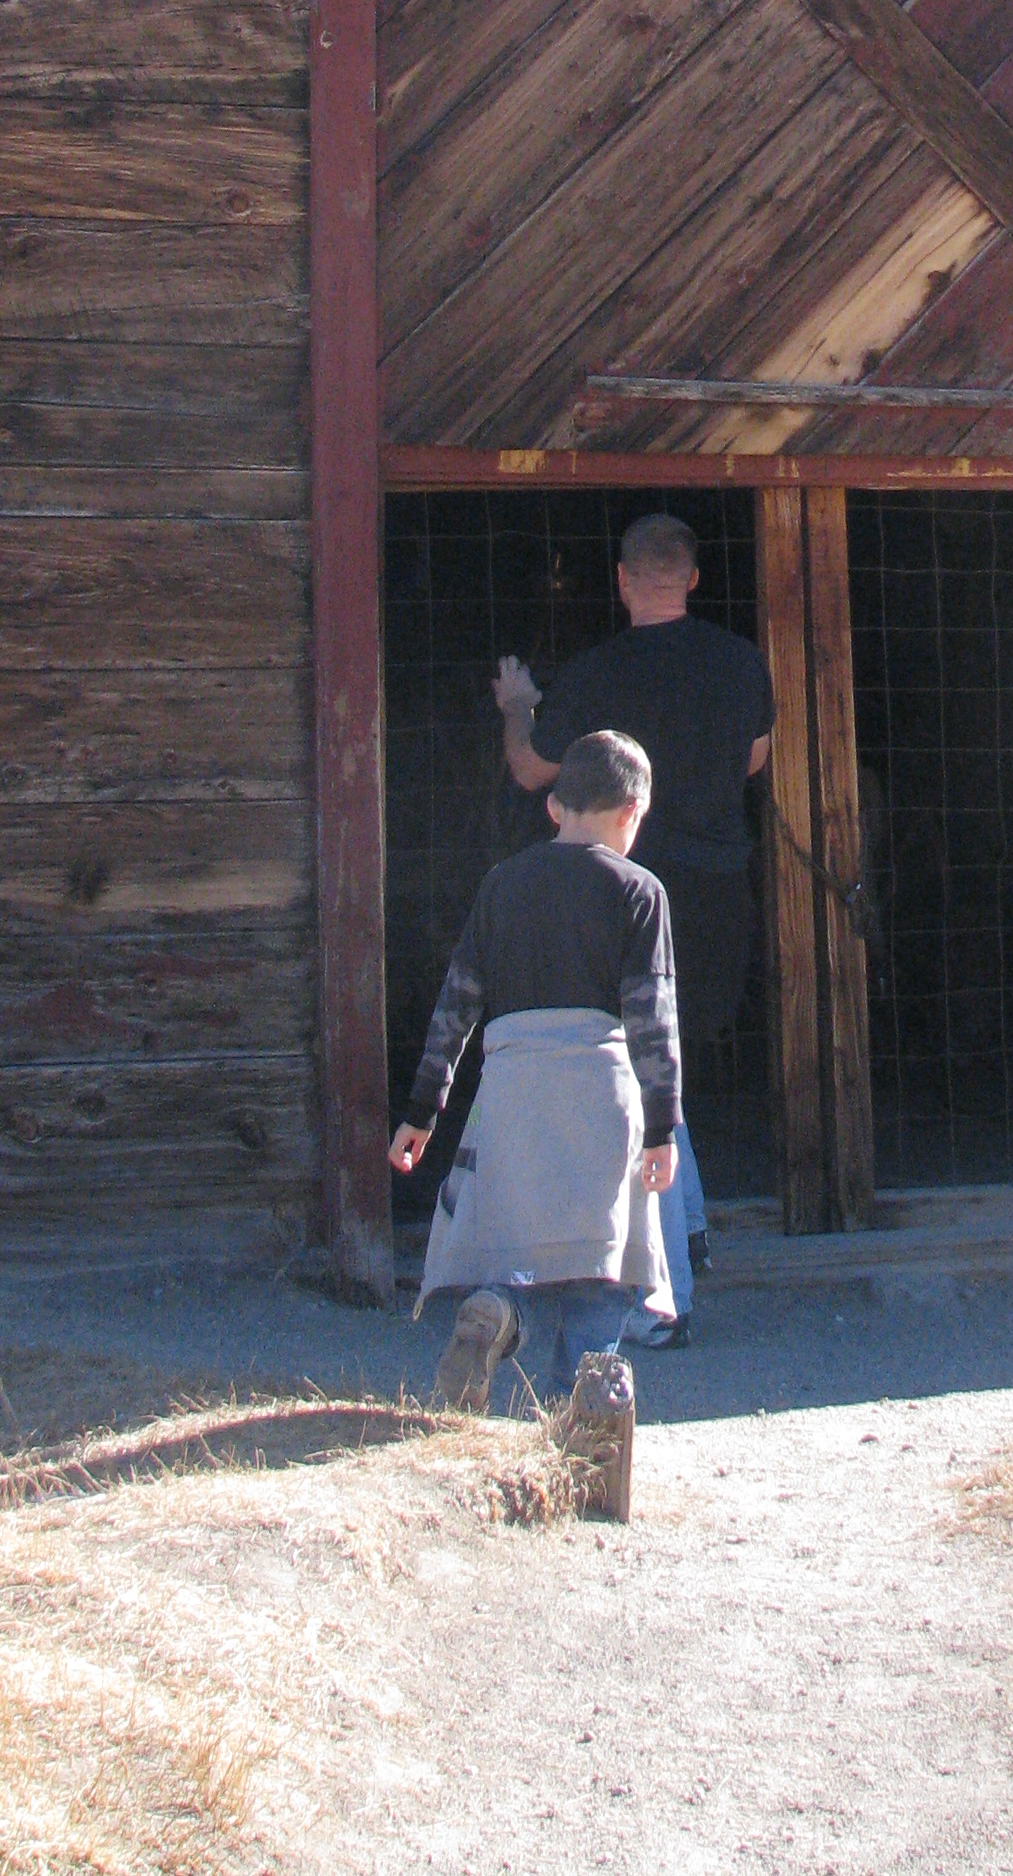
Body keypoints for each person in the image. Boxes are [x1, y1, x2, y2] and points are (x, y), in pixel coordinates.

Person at [494, 510, 773, 1339]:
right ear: (693, 579)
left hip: (627, 897)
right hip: (718, 894)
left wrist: (518, 704)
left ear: (621, 582)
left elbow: (531, 768)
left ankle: (662, 1301)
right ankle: (689, 1227)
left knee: (634, 1081)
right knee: (666, 1067)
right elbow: (754, 759)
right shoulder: (741, 663)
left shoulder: (594, 673)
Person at [390, 728, 680, 1515]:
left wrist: (421, 1111)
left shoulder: (502, 884)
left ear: (554, 806)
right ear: (633, 811)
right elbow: (652, 1020)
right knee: (606, 1273)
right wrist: (663, 1126)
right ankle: (572, 1435)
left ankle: (501, 1311)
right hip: (600, 1089)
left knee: (519, 1249)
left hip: (512, 1087)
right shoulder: (639, 891)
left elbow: (457, 1003)